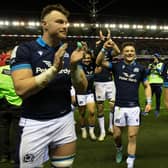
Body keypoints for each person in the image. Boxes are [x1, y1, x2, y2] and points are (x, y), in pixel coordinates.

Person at [10, 4, 88, 168]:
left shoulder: (69, 52)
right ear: (44, 24)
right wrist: (53, 70)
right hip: (34, 123)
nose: (65, 26)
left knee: (64, 166)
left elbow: (82, 88)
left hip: (64, 120)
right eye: (59, 22)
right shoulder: (25, 50)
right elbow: (21, 89)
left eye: (66, 22)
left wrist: (73, 67)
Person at [96, 41, 152, 168]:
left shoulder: (141, 69)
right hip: (119, 107)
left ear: (135, 54)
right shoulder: (116, 66)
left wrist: (148, 102)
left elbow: (146, 86)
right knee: (116, 136)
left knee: (132, 136)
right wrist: (104, 48)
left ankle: (130, 162)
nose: (129, 53)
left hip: (134, 107)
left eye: (131, 51)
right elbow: (99, 62)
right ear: (122, 53)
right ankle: (119, 149)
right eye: (126, 51)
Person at [94, 29, 120, 141]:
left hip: (110, 82)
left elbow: (118, 52)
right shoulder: (96, 49)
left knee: (112, 106)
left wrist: (110, 40)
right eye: (102, 35)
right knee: (100, 108)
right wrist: (101, 42)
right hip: (98, 82)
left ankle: (110, 127)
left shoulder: (109, 52)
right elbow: (97, 60)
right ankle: (102, 131)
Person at [0, 59, 22, 165]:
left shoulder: (0, 70)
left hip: (2, 104)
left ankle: (3, 155)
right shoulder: (19, 72)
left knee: (3, 129)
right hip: (17, 104)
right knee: (16, 132)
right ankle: (14, 156)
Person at [76, 50, 97, 140]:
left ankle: (91, 131)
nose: (87, 60)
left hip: (89, 92)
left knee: (92, 112)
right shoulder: (79, 66)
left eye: (88, 58)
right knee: (82, 113)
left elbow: (96, 58)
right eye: (85, 58)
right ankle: (83, 129)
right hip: (80, 93)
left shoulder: (93, 66)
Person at [146, 53, 164, 117]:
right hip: (150, 83)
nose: (153, 58)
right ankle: (147, 110)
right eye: (153, 57)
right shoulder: (150, 65)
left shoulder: (161, 64)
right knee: (148, 98)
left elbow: (161, 73)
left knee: (158, 98)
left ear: (157, 58)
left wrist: (155, 68)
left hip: (159, 83)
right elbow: (147, 73)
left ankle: (157, 110)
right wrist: (150, 68)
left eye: (155, 57)